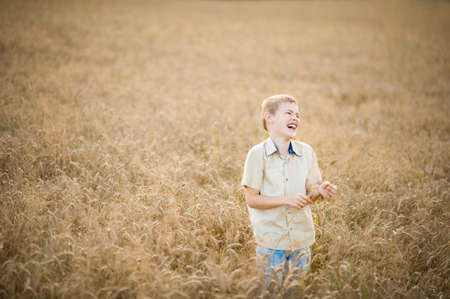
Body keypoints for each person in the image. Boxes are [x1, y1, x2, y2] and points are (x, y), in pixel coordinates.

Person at [241, 94, 337, 293]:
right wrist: (286, 199)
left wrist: (319, 191)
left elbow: (309, 195)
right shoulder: (257, 154)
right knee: (271, 292)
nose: (295, 118)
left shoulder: (306, 152)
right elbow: (251, 199)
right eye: (289, 113)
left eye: (298, 115)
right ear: (269, 117)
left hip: (301, 240)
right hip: (271, 241)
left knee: (295, 292)